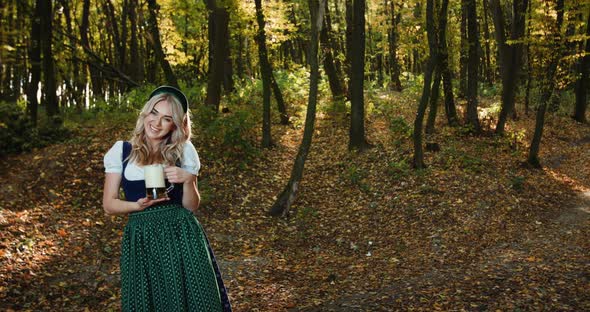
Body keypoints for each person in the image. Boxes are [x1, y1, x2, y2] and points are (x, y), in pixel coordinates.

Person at [102, 86, 232, 311]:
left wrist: (188, 180)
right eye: (154, 113)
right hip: (141, 236)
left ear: (176, 124)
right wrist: (136, 205)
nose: (157, 122)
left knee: (197, 300)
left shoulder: (183, 150)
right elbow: (109, 205)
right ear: (145, 114)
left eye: (167, 118)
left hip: (181, 233)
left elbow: (191, 207)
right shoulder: (121, 152)